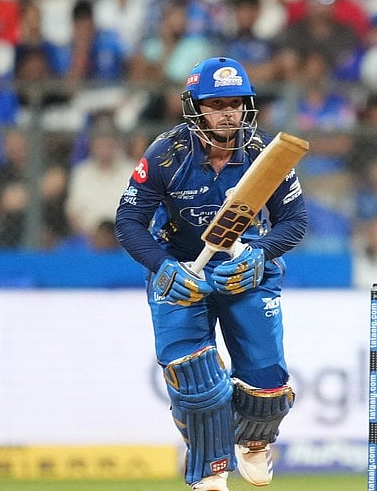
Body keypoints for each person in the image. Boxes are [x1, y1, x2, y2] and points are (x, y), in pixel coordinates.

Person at [114, 57, 308, 491]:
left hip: (246, 270)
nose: (228, 113)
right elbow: (128, 222)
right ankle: (209, 471)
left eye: (235, 103)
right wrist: (163, 267)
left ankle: (254, 442)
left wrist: (260, 254)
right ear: (195, 107)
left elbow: (294, 221)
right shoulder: (166, 154)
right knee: (194, 378)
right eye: (216, 103)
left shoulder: (264, 156)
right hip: (183, 270)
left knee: (266, 382)